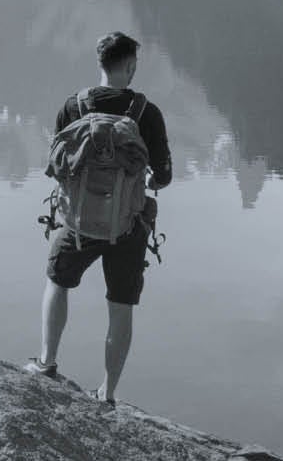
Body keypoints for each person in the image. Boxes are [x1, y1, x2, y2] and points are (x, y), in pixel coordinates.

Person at [24, 31, 172, 404]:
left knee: (57, 282)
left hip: (76, 224)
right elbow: (164, 176)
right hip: (128, 226)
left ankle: (46, 363)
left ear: (99, 65)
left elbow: (56, 164)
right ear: (130, 67)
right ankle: (106, 394)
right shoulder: (146, 114)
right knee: (120, 306)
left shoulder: (73, 108)